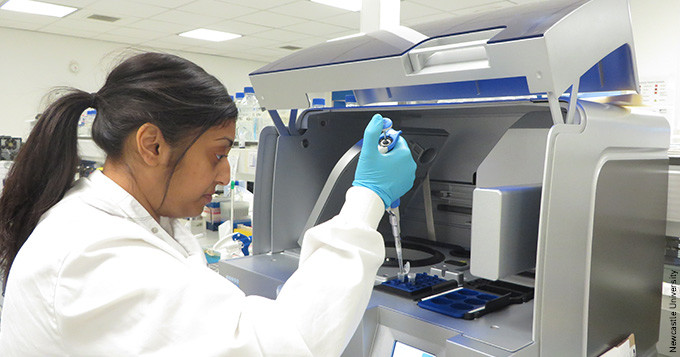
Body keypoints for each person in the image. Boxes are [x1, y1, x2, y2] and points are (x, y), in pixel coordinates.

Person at [0, 52, 416, 356]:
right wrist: (367, 199)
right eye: (217, 154)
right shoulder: (94, 258)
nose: (225, 176)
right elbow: (286, 346)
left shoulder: (124, 219)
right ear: (152, 145)